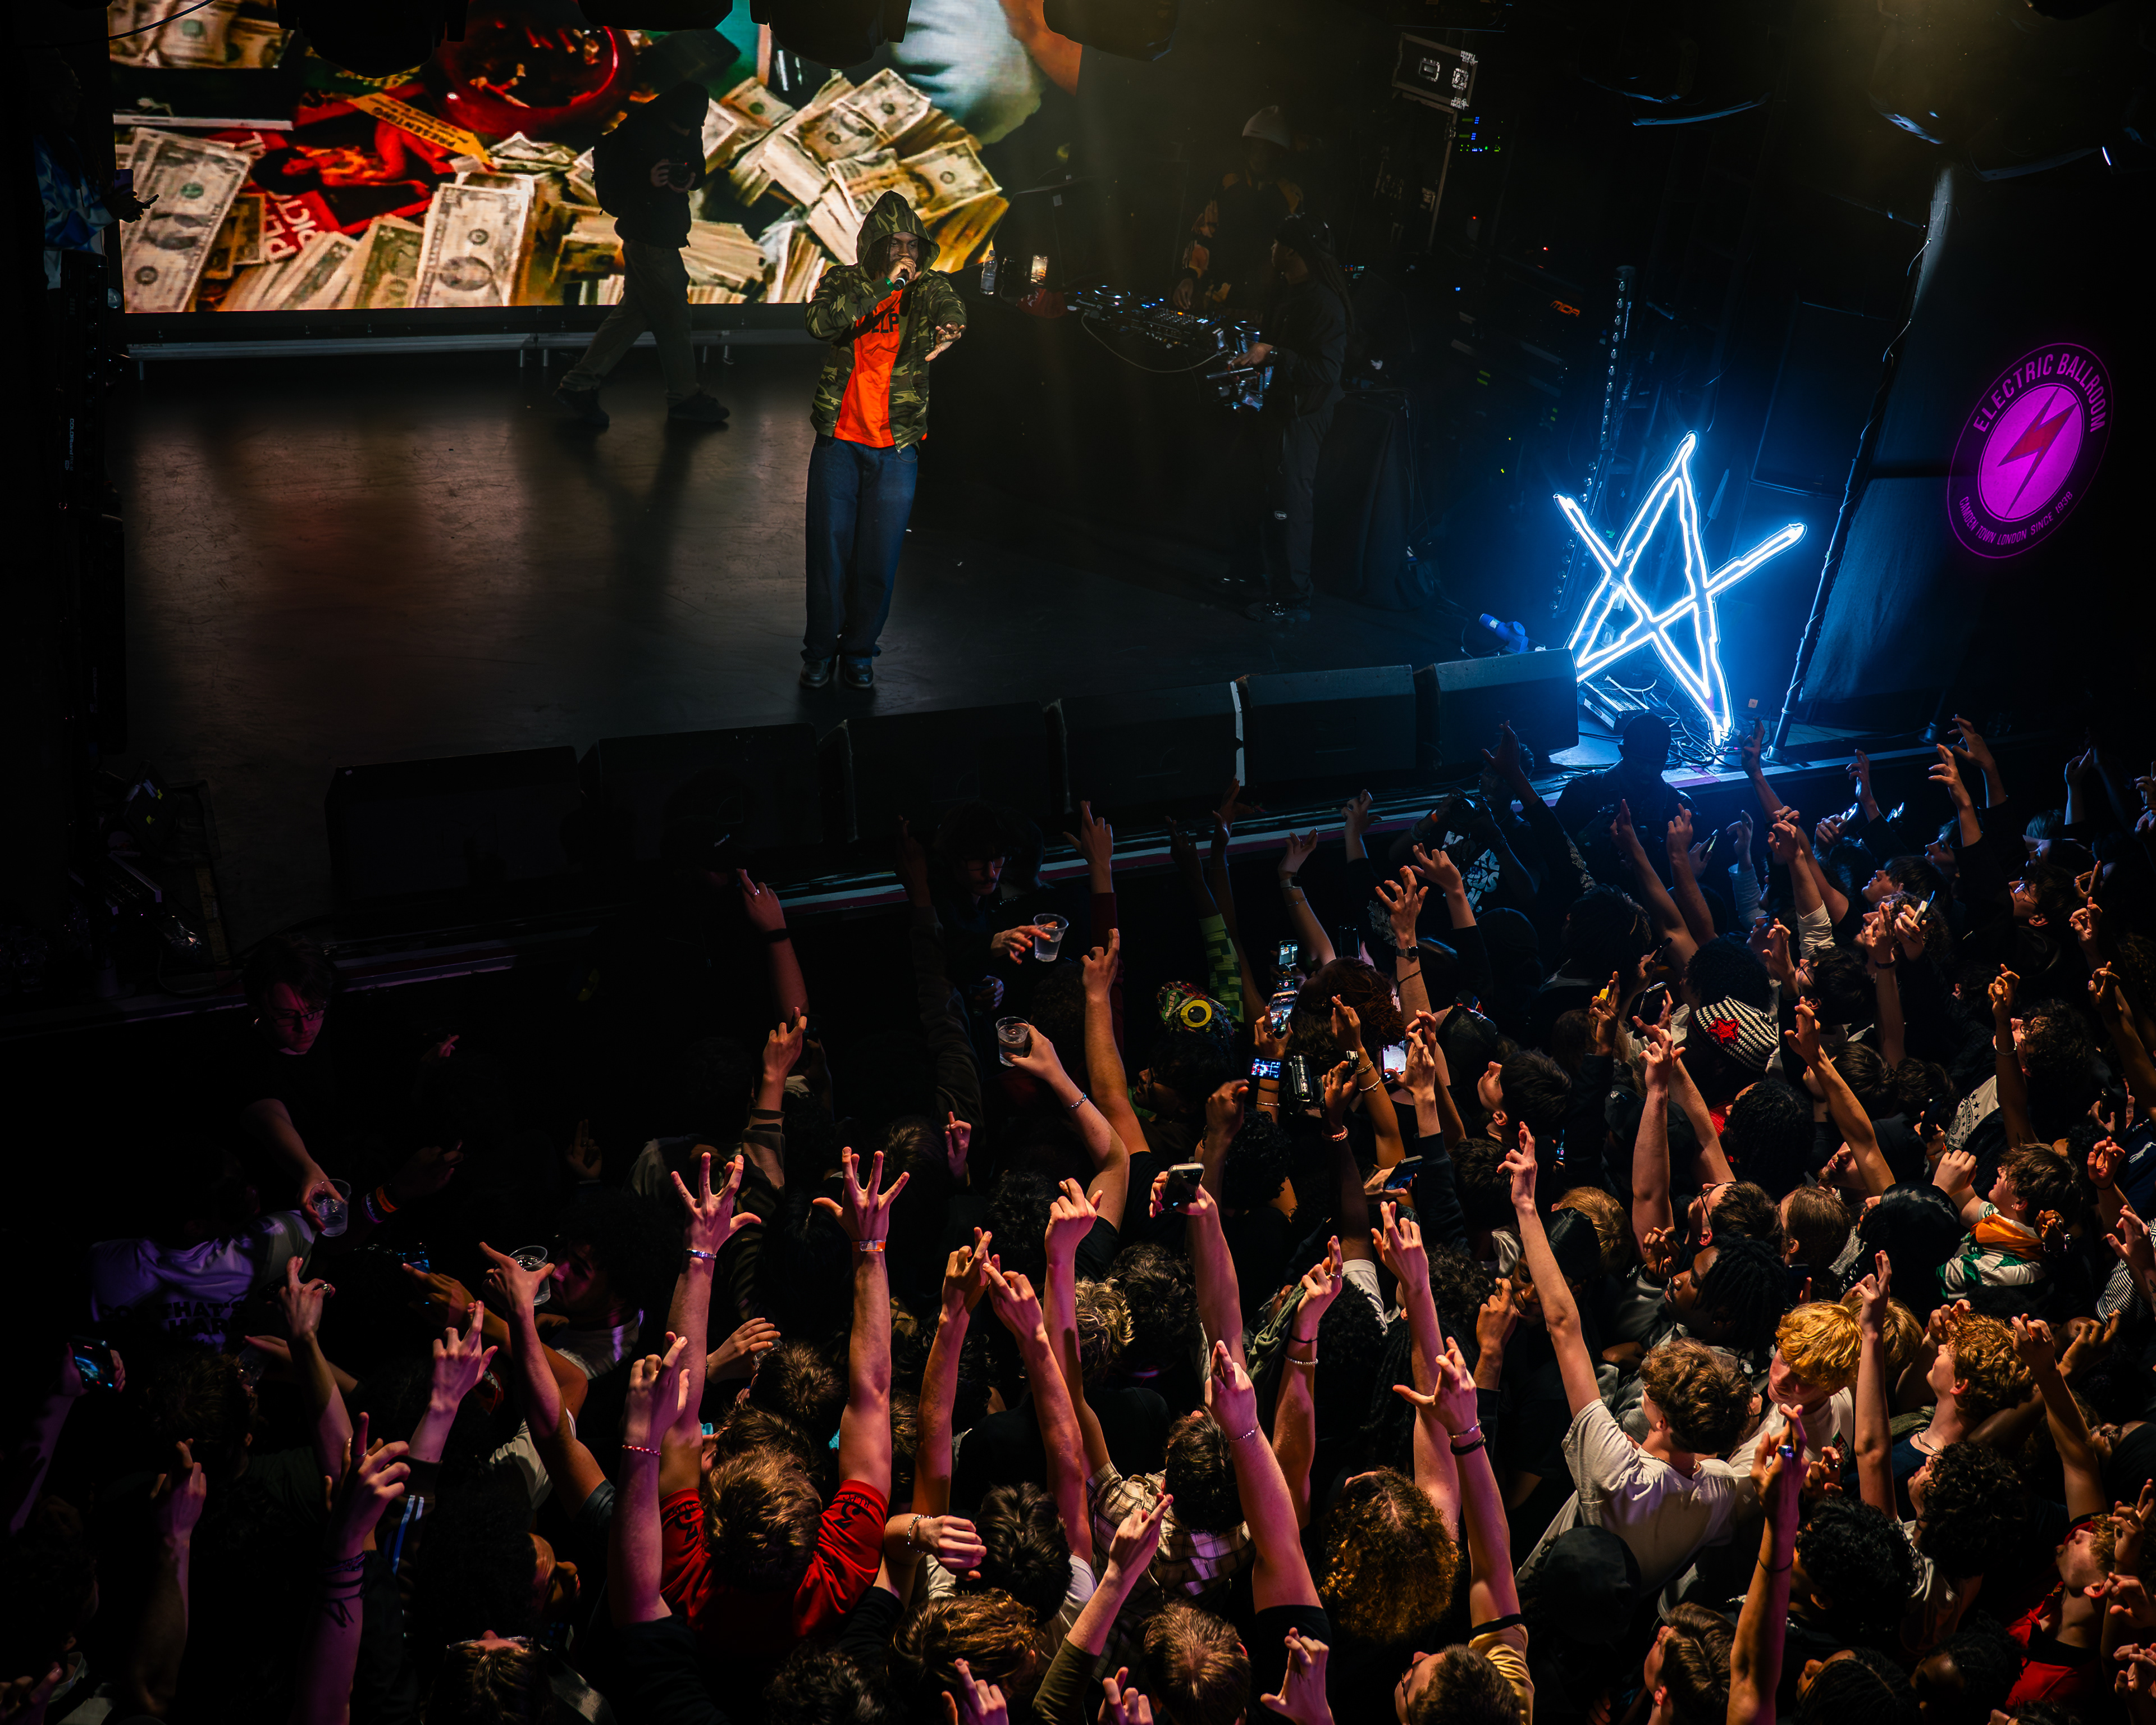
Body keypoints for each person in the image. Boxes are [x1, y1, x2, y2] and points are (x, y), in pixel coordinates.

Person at [798, 189, 967, 690]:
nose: (904, 255)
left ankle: (859, 651)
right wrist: (882, 289)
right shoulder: (844, 281)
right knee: (828, 557)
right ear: (875, 245)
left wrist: (952, 325)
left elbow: (949, 302)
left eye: (912, 246)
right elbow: (819, 323)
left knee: (879, 558)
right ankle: (819, 652)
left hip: (896, 448)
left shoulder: (929, 287)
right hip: (839, 443)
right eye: (894, 245)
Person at [555, 80, 732, 428]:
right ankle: (685, 397)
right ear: (666, 115)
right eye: (680, 127)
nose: (686, 132)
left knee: (633, 315)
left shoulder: (685, 125)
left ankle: (578, 384)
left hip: (665, 233)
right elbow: (612, 196)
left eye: (691, 128)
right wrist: (646, 181)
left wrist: (689, 178)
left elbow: (696, 168)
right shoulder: (632, 134)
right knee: (674, 320)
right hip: (648, 238)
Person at [1223, 212, 1351, 624]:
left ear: (1292, 250)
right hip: (1276, 408)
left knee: (1291, 504)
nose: (1271, 250)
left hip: (1303, 415)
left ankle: (1294, 599)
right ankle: (1253, 576)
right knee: (1246, 487)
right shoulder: (1287, 290)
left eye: (1277, 244)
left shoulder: (1324, 303)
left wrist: (1274, 354)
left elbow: (1326, 371)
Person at [1171, 106, 1307, 312]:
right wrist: (1189, 277)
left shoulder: (1291, 196)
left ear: (1278, 154)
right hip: (1216, 298)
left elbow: (1295, 257)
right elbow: (1204, 232)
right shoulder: (1228, 184)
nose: (1258, 156)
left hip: (1263, 305)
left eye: (1265, 150)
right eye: (1254, 148)